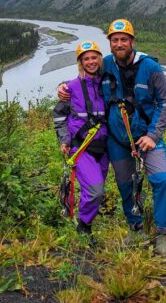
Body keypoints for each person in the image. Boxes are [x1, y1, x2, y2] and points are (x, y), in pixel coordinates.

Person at [59, 19, 166, 260]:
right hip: (118, 141)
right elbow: (85, 77)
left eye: (124, 39)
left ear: (132, 41)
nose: (119, 43)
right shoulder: (106, 64)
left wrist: (153, 135)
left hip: (147, 138)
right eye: (115, 40)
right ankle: (135, 230)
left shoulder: (151, 68)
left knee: (163, 180)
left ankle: (163, 239)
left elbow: (164, 103)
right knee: (126, 186)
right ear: (110, 43)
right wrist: (63, 89)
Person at [53, 40, 109, 235]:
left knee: (94, 192)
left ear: (100, 59)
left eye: (94, 57)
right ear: (81, 62)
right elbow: (59, 115)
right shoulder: (71, 88)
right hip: (82, 148)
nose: (91, 62)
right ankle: (83, 226)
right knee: (96, 191)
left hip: (104, 149)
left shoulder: (107, 85)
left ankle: (86, 224)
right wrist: (64, 140)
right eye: (86, 59)